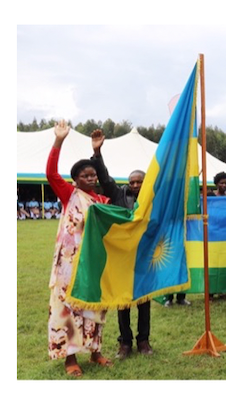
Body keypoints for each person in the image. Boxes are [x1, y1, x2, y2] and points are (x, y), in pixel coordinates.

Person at [45, 121, 113, 376]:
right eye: (85, 176)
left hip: (94, 263)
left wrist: (97, 153)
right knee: (69, 307)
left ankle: (95, 351)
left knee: (95, 305)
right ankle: (70, 358)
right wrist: (59, 141)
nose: (91, 178)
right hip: (69, 266)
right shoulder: (69, 195)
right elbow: (51, 174)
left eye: (93, 175)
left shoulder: (102, 201)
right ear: (75, 179)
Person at [94, 156, 154, 359]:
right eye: (132, 182)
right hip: (122, 257)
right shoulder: (119, 194)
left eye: (139, 182)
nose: (135, 185)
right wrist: (98, 154)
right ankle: (125, 342)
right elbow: (105, 180)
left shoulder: (154, 197)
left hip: (144, 255)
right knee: (123, 302)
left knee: (144, 301)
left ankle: (144, 341)